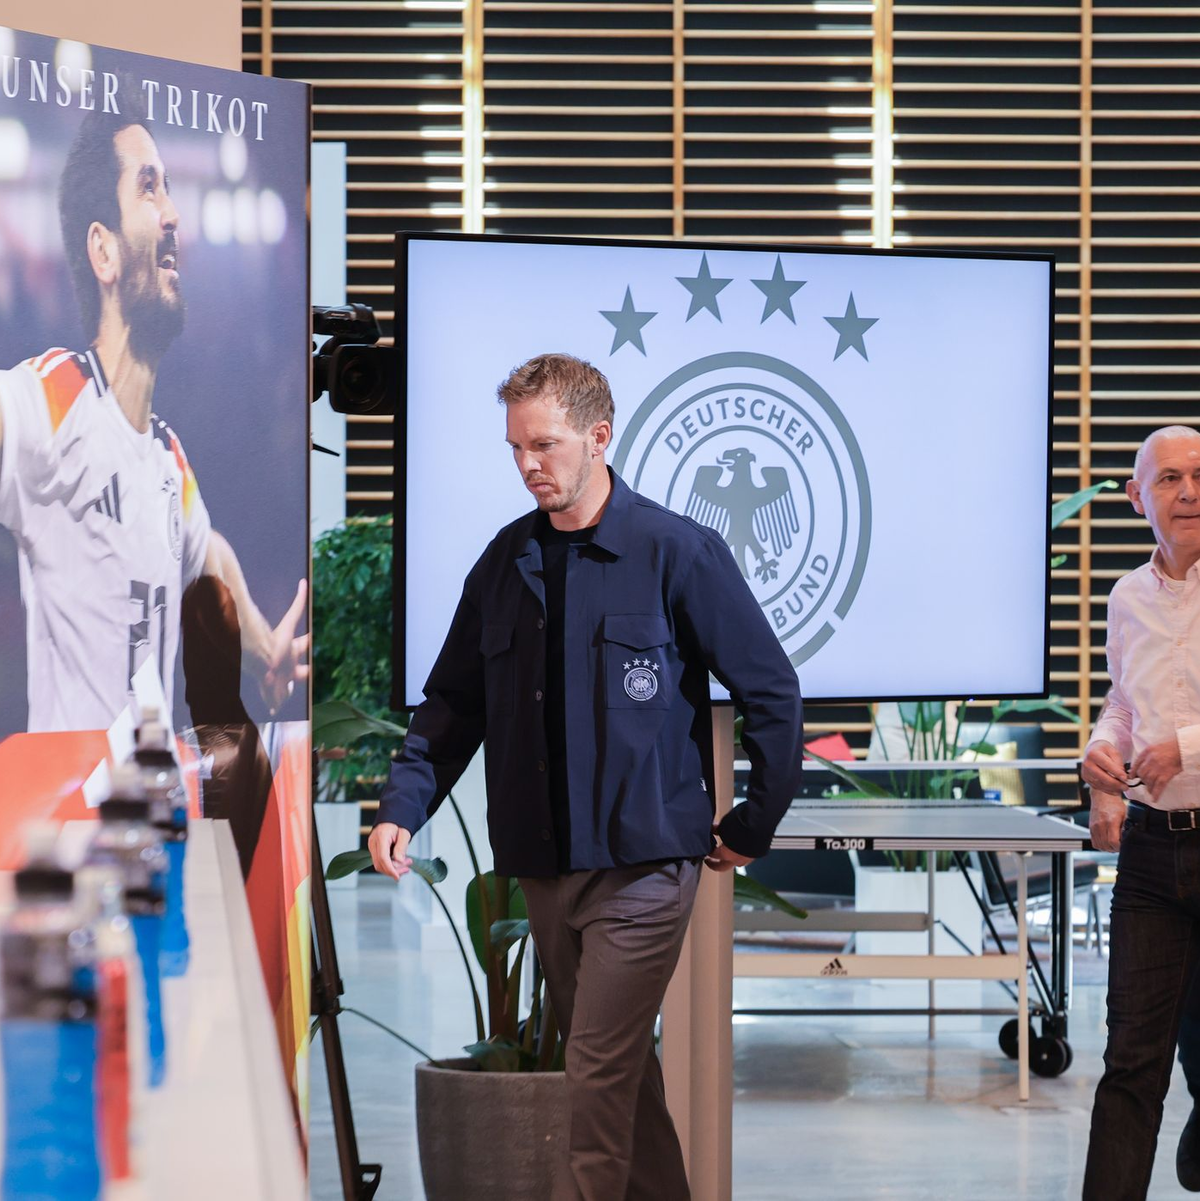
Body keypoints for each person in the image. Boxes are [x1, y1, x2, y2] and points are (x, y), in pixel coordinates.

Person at [370, 353, 804, 1200]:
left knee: (595, 1078)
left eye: (546, 444)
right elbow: (454, 703)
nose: (530, 464)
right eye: (516, 448)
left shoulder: (678, 551)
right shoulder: (505, 562)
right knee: (623, 1082)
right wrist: (403, 805)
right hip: (544, 869)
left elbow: (772, 689)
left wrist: (756, 820)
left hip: (645, 867)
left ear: (599, 437)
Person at [0, 93, 307, 732]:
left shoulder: (167, 459)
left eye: (168, 190)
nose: (171, 213)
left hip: (155, 824)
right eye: (148, 189)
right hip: (69, 825)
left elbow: (207, 553)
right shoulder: (54, 399)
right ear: (103, 252)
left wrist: (263, 650)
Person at [1082, 424, 1200, 1199]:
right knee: (1131, 1060)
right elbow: (1125, 703)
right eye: (1168, 478)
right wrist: (1100, 760)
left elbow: (1173, 734)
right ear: (1136, 497)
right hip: (1153, 856)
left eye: (1199, 475)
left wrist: (1187, 747)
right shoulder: (1126, 597)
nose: (1189, 491)